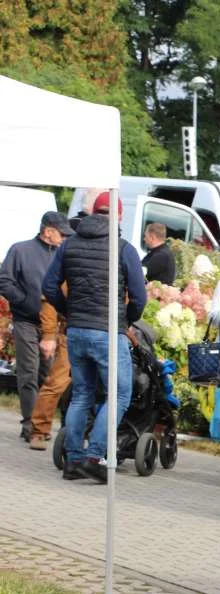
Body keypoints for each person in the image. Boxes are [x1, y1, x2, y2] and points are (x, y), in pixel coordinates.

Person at [42, 191, 147, 483]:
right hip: (108, 331)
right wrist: (128, 319)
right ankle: (95, 455)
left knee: (82, 394)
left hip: (76, 331)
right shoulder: (123, 248)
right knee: (119, 394)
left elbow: (49, 285)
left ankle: (73, 460)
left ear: (92, 212)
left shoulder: (69, 244)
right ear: (119, 216)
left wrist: (69, 312)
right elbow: (139, 295)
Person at [0, 210, 74, 441]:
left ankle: (43, 422)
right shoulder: (20, 250)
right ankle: (30, 424)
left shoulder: (63, 254)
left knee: (49, 375)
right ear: (48, 231)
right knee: (28, 373)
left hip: (53, 325)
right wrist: (22, 301)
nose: (64, 238)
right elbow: (4, 280)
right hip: (26, 322)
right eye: (61, 234)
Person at [26, 284, 71, 451]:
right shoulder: (71, 261)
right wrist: (49, 334)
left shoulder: (116, 264)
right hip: (71, 334)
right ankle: (39, 431)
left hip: (104, 335)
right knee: (56, 384)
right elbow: (50, 298)